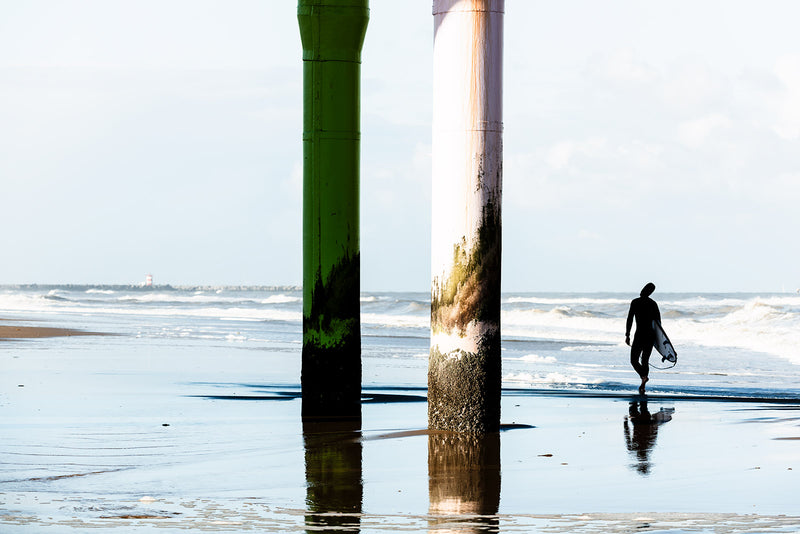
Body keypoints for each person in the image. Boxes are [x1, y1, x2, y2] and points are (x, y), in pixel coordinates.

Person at [625, 282, 660, 395]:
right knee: (645, 360)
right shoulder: (653, 304)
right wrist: (659, 341)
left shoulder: (635, 302)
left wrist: (627, 335)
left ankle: (643, 377)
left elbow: (629, 319)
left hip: (639, 334)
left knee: (633, 360)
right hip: (651, 335)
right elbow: (658, 324)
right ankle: (643, 382)